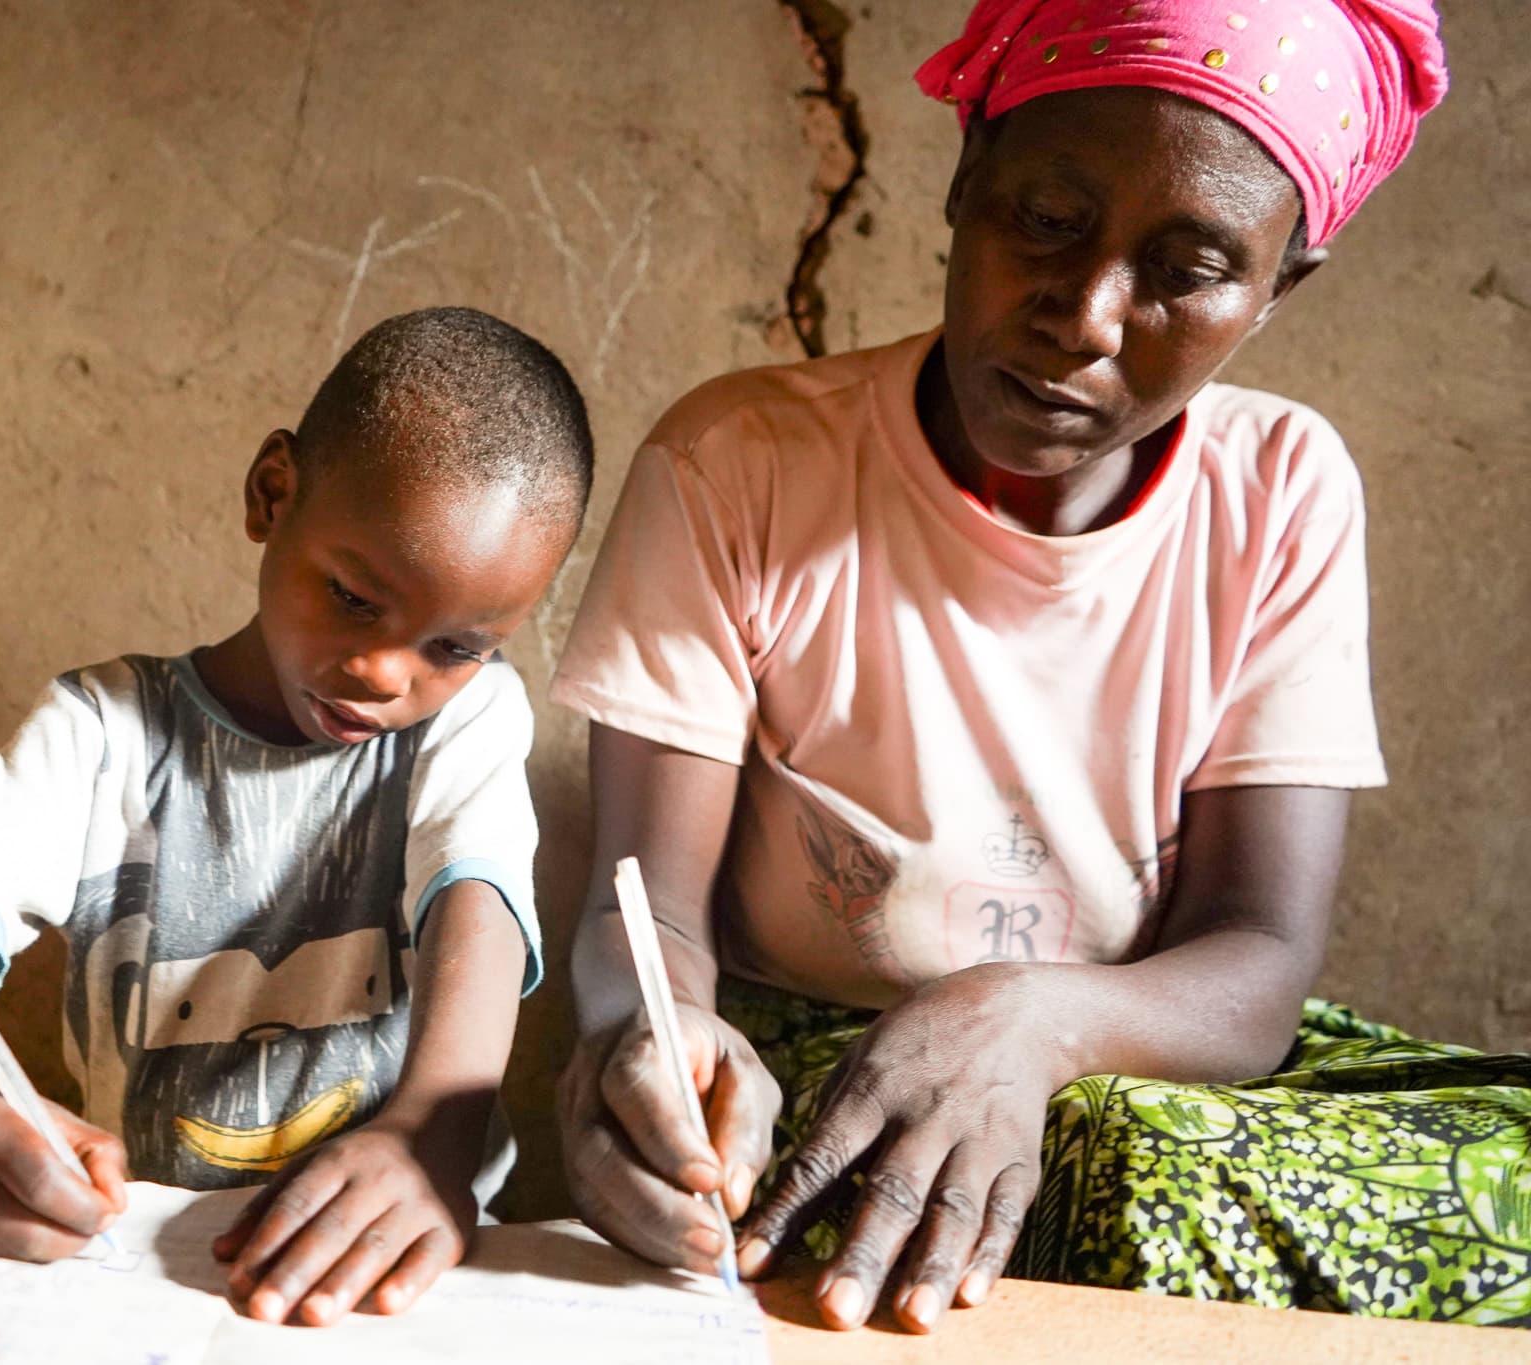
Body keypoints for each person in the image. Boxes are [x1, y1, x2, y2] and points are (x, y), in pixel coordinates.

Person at [553, 0, 1527, 1335]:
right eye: (1049, 219)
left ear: (1279, 287)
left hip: (1135, 1041)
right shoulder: (742, 463)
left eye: (1188, 268)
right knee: (1144, 1174)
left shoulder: (1282, 489)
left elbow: (1257, 964)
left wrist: (1028, 1021)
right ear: (966, 179)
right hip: (831, 1064)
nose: (1085, 314)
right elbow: (646, 910)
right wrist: (638, 1046)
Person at [0, 306, 593, 1326]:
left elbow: (478, 909)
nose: (382, 674)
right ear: (271, 494)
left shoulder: (468, 724)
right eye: (355, 599)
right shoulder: (104, 735)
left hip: (396, 1291)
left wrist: (430, 1134)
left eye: (454, 646)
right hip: (144, 1285)